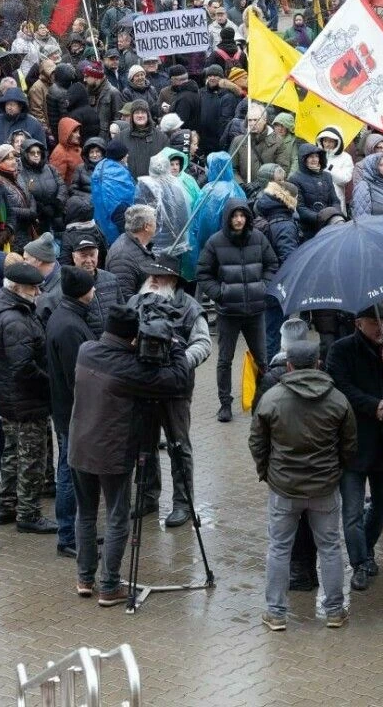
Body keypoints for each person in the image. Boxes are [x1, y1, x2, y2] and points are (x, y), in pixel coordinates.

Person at [68, 304, 192, 605]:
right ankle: (110, 587)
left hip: (79, 446)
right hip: (112, 453)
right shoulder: (130, 368)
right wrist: (173, 343)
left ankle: (85, 578)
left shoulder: (86, 350)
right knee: (116, 516)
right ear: (131, 337)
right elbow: (177, 379)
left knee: (85, 513)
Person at [251, 334, 356, 631]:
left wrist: (267, 473)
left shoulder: (272, 398)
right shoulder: (338, 399)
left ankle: (275, 613)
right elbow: (349, 444)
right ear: (319, 364)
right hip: (324, 488)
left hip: (284, 488)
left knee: (279, 548)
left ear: (289, 367)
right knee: (331, 548)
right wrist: (336, 471)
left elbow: (257, 442)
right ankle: (335, 610)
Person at [326, 303, 383, 593]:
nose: (381, 328)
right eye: (375, 322)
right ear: (359, 323)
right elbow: (341, 387)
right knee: (352, 513)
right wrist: (375, 406)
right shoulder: (341, 350)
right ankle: (360, 563)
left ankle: (367, 550)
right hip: (353, 443)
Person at [128, 254, 211, 527]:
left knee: (179, 447)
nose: (152, 279)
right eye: (150, 274)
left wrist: (178, 365)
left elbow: (203, 344)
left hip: (175, 390)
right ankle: (148, 497)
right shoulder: (135, 302)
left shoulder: (189, 307)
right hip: (141, 386)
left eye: (159, 275)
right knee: (144, 445)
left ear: (173, 280)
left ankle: (183, 504)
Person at [0, 260, 56, 533]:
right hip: (26, 401)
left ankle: (6, 506)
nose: (37, 293)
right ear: (17, 288)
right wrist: (51, 383)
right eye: (32, 288)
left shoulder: (0, 307)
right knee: (32, 458)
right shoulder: (16, 319)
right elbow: (24, 367)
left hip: (8, 398)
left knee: (12, 454)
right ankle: (28, 513)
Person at [196, 197, 279, 422]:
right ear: (228, 218)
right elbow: (203, 273)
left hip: (256, 311)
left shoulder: (259, 238)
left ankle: (262, 401)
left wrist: (263, 287)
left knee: (262, 360)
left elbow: (272, 264)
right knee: (225, 359)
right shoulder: (215, 242)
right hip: (228, 313)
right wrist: (219, 293)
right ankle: (225, 404)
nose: (239, 219)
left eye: (242, 215)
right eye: (235, 216)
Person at [45, 265, 97, 557]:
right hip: (72, 413)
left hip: (68, 411)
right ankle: (68, 536)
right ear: (81, 293)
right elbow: (77, 376)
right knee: (69, 473)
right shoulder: (69, 327)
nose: (95, 291)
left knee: (70, 470)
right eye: (91, 287)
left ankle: (78, 532)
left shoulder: (66, 317)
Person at [105, 203, 157, 302]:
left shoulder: (141, 244)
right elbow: (125, 299)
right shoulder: (122, 257)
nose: (156, 225)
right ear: (146, 226)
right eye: (154, 222)